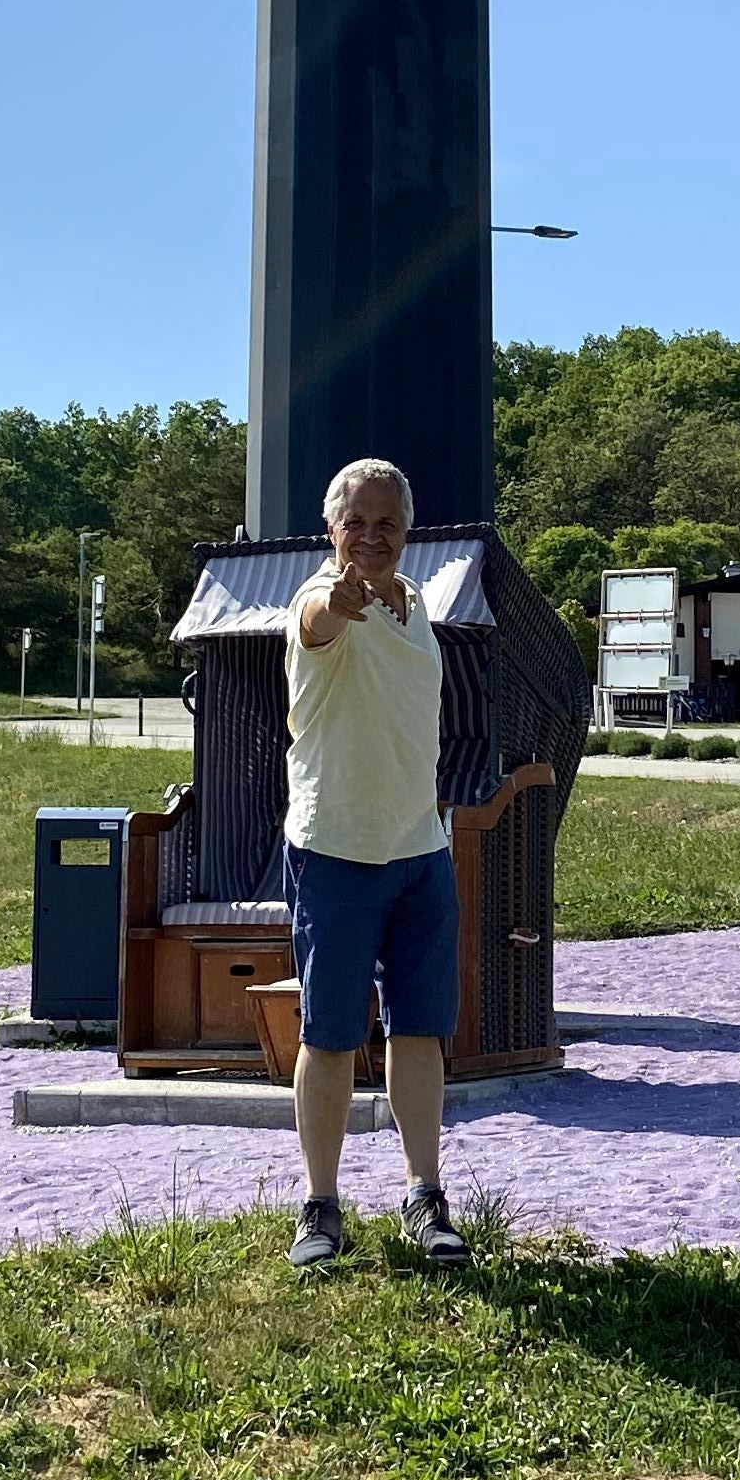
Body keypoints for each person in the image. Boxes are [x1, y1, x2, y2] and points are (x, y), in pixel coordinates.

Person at [281, 455, 467, 1274]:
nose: (371, 537)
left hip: (420, 850)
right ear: (331, 530)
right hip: (336, 851)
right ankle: (320, 1207)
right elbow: (320, 619)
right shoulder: (318, 599)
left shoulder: (418, 601)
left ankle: (426, 1196)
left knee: (421, 1030)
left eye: (387, 523)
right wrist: (340, 597)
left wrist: (378, 594)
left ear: (408, 532)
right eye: (356, 521)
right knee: (328, 1034)